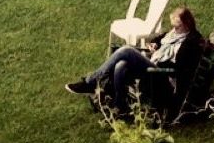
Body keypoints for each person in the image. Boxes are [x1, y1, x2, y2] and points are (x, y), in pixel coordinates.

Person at [65, 6, 203, 116]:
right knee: (121, 65)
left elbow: (180, 69)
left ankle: (90, 82)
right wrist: (155, 45)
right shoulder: (174, 33)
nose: (174, 29)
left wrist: (158, 58)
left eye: (177, 26)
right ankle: (120, 106)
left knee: (126, 50)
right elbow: (161, 39)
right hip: (154, 65)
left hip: (165, 77)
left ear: (186, 24)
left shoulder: (191, 41)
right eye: (173, 26)